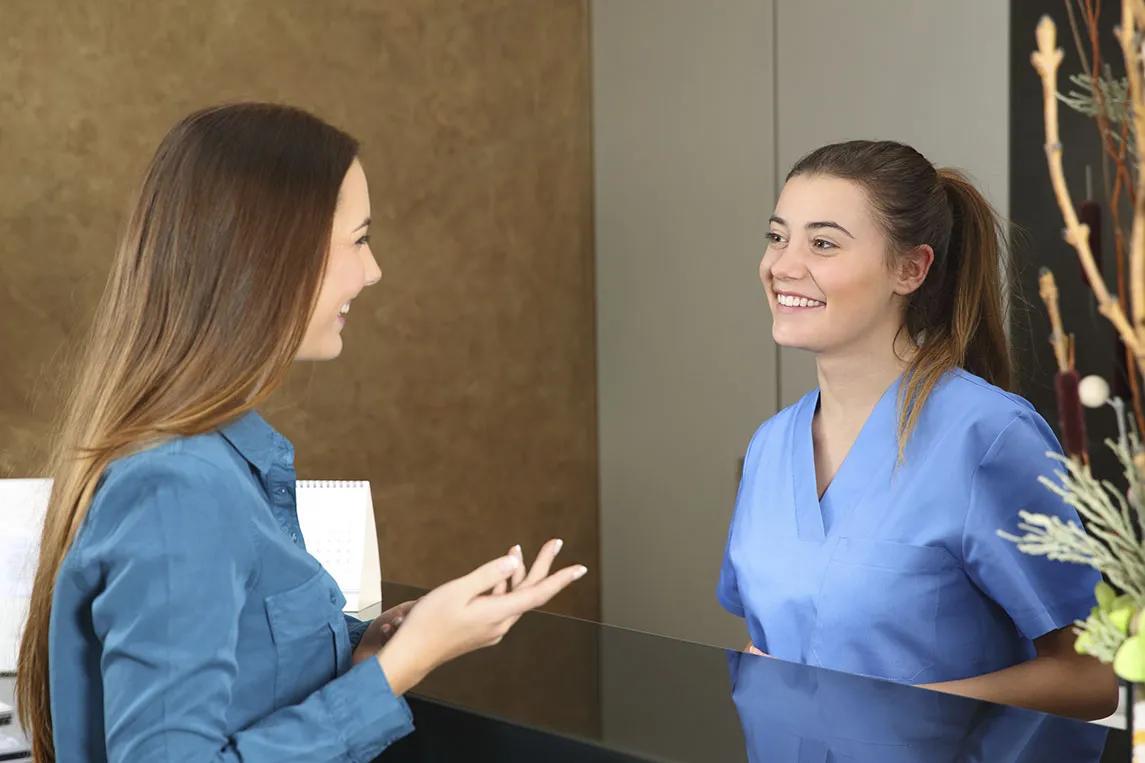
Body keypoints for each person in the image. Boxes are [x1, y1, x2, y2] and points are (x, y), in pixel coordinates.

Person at [15, 103, 587, 762]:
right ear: (274, 253)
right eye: (360, 239)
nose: (372, 272)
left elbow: (253, 666)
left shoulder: (221, 464)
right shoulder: (176, 489)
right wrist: (399, 669)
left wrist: (378, 646)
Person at [717, 140, 1117, 720]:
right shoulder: (770, 447)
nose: (782, 265)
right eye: (778, 237)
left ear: (911, 269)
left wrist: (893, 715)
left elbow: (1091, 674)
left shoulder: (989, 437)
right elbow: (772, 643)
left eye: (822, 243)